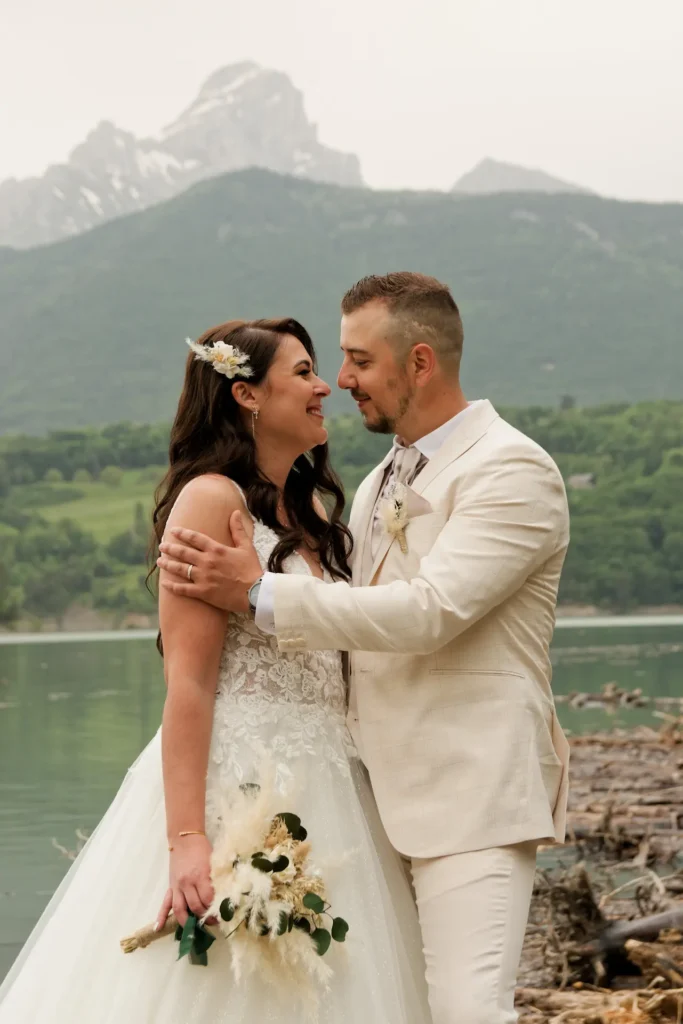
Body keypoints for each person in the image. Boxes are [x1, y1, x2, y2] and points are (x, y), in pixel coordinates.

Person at [157, 273, 572, 1024]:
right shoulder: (375, 480)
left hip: (466, 791)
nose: (339, 382)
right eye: (321, 366)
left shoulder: (511, 469)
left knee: (468, 1012)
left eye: (355, 360)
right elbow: (193, 678)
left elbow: (430, 611)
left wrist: (258, 592)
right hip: (350, 800)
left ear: (419, 362)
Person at [0, 317, 431, 1023]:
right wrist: (189, 841)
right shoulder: (210, 499)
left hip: (335, 787)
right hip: (240, 787)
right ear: (247, 396)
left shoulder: (314, 510)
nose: (325, 386)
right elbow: (189, 683)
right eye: (302, 372)